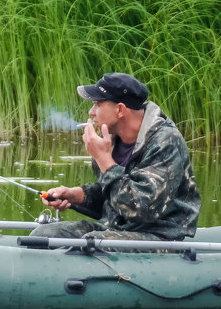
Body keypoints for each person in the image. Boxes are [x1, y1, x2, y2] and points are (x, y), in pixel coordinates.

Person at [34, 72, 200, 241]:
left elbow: (142, 209)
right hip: (115, 228)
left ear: (120, 109)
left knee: (93, 243)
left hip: (158, 234)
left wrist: (104, 160)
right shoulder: (111, 140)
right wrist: (75, 196)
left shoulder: (165, 142)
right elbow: (113, 195)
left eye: (98, 104)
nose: (91, 112)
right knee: (43, 235)